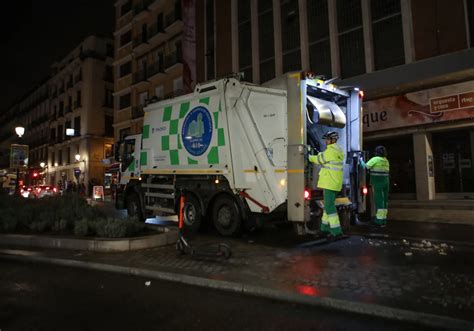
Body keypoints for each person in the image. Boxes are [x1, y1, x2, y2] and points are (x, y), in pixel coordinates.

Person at [308, 131, 345, 238]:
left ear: (332, 140)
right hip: (335, 183)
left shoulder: (330, 151)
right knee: (328, 205)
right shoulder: (338, 150)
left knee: (329, 208)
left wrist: (308, 156)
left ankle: (336, 231)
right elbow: (325, 157)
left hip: (329, 183)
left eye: (327, 139)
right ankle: (324, 228)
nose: (325, 141)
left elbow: (319, 159)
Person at [360, 146, 390, 227]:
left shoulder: (375, 159)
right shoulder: (386, 160)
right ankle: (383, 220)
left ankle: (379, 221)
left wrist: (361, 160)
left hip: (378, 183)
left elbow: (365, 167)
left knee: (379, 202)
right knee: (384, 202)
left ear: (376, 152)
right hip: (386, 183)